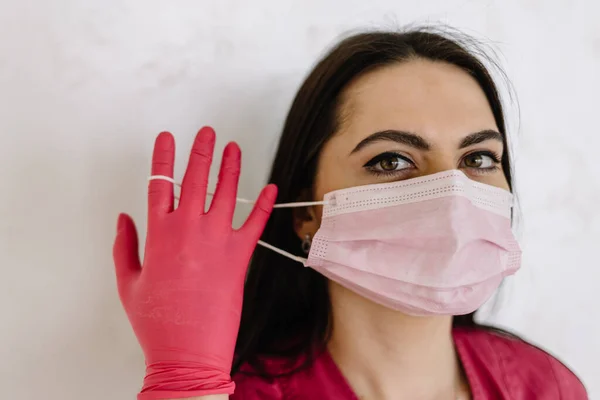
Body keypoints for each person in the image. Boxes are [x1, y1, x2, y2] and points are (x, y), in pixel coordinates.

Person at [113, 28, 588, 399]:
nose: (453, 196)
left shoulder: (545, 387)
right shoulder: (238, 395)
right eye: (392, 161)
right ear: (306, 213)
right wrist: (185, 383)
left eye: (478, 158)